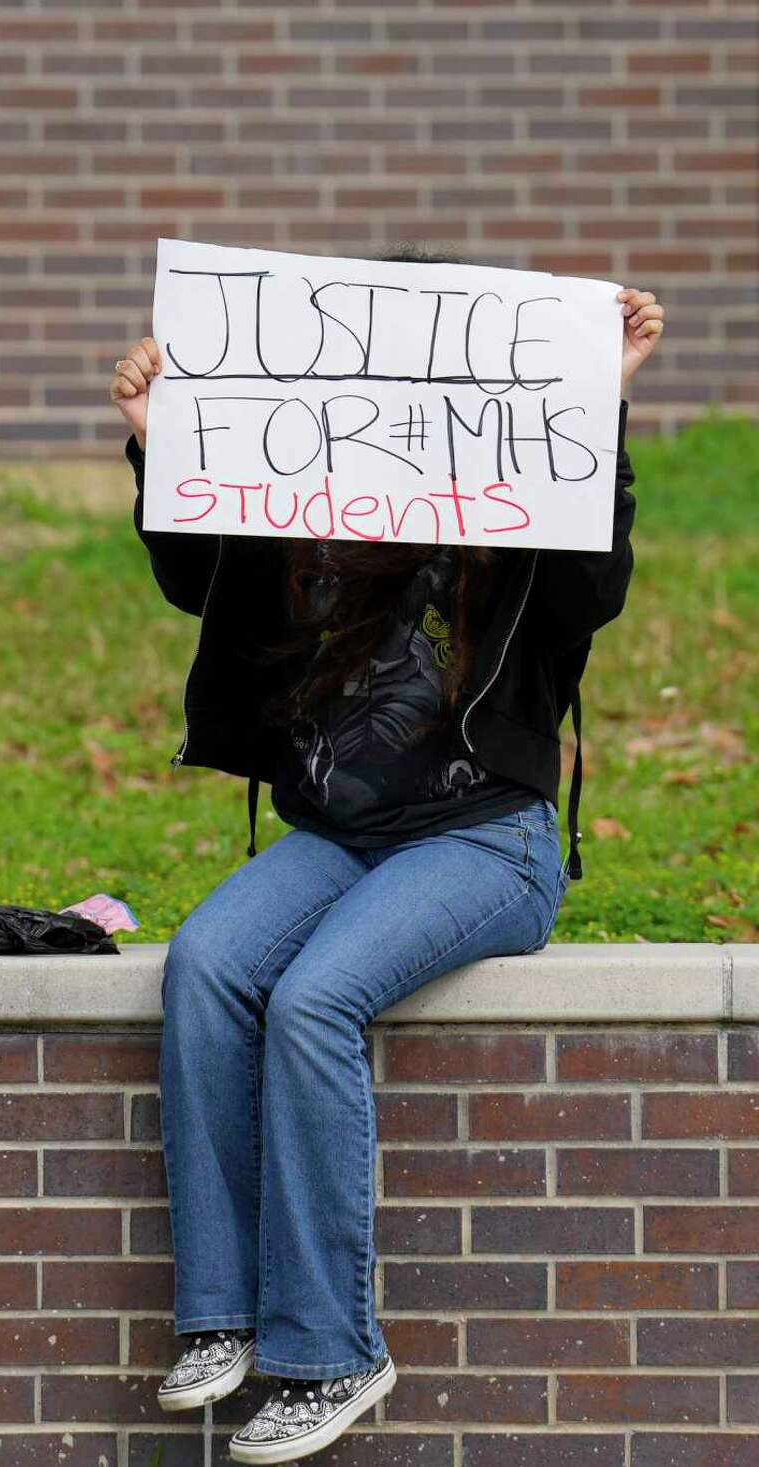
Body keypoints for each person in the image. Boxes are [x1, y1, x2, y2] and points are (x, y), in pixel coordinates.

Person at [108, 280, 664, 1464]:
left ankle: (332, 1350)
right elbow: (196, 580)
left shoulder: (517, 522)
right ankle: (223, 1319)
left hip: (484, 843)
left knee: (313, 999)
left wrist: (596, 405)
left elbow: (594, 588)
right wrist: (159, 452)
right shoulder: (309, 511)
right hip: (339, 836)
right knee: (207, 964)